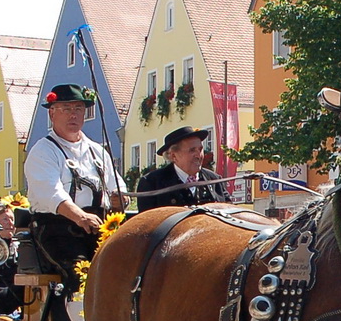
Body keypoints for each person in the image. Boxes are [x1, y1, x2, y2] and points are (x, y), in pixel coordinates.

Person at [23, 84, 127, 247]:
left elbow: (117, 184)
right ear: (52, 113)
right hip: (58, 229)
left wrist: (121, 199)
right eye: (66, 109)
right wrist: (81, 217)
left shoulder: (97, 151)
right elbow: (51, 194)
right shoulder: (43, 151)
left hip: (99, 227)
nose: (73, 115)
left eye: (78, 109)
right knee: (81, 271)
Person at [136, 126, 231, 210]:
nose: (199, 155)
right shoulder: (152, 183)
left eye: (200, 149)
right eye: (192, 150)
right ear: (173, 156)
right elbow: (147, 225)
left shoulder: (214, 180)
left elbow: (231, 214)